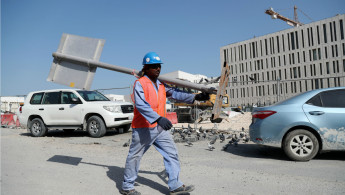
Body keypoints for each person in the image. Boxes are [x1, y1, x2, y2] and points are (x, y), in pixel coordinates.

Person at [120, 52, 210, 195]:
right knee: (135, 156)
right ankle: (127, 186)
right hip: (144, 127)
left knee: (171, 153)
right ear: (146, 68)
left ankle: (175, 185)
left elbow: (176, 94)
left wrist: (196, 97)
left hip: (160, 128)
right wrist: (157, 118)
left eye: (159, 66)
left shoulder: (161, 84)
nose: (158, 69)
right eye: (154, 66)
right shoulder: (140, 83)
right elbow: (141, 105)